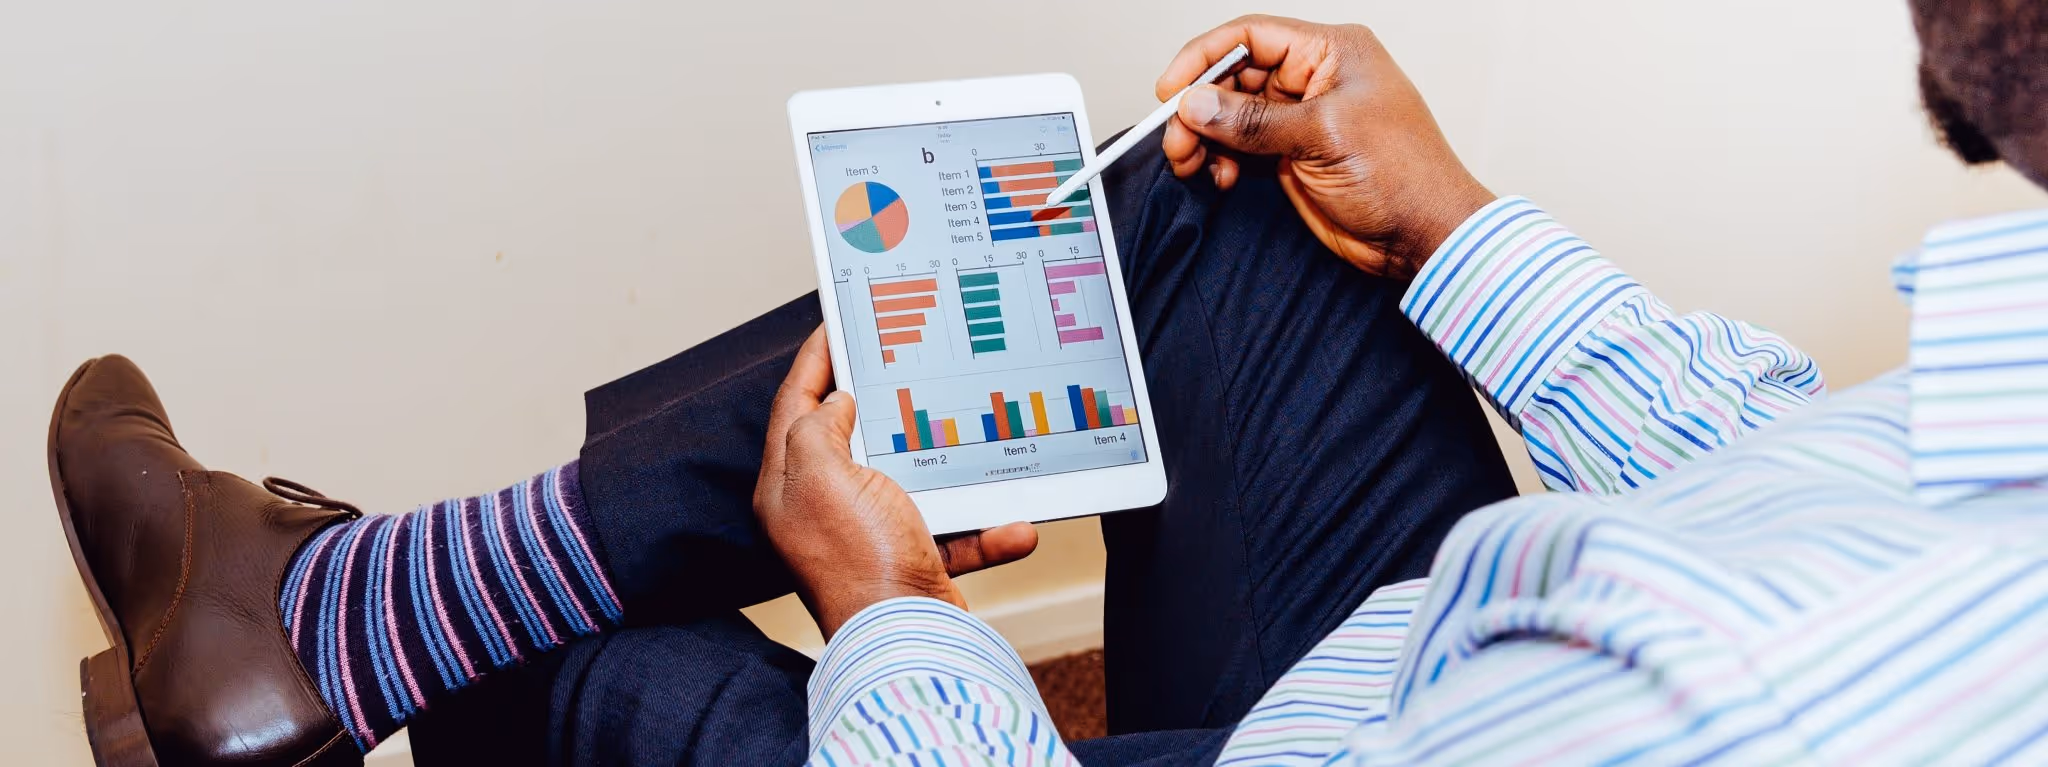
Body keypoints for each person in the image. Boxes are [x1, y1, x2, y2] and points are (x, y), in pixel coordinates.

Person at [43, 2, 2048, 765]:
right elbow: (1806, 474)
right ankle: (315, 610)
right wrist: (1447, 221)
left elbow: (1769, 636)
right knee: (1225, 199)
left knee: (574, 674)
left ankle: (350, 615)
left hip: (1474, 719)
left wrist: (898, 620)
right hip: (1446, 683)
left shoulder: (1752, 704)